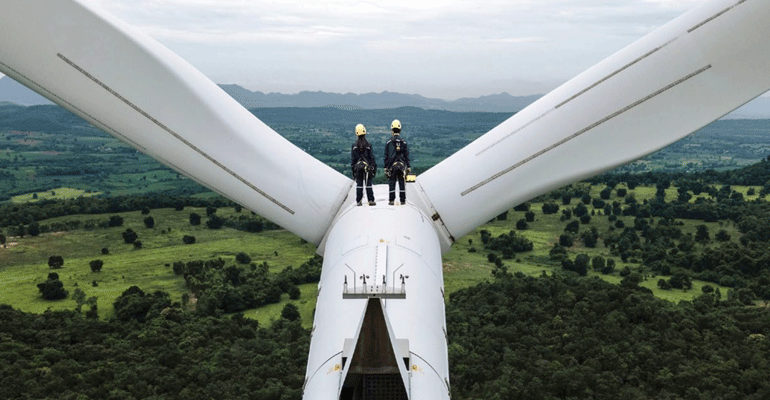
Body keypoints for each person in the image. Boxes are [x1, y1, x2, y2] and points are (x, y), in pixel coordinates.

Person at [384, 119, 410, 205]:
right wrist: (408, 166)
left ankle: (391, 200)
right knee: (401, 182)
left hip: (392, 166)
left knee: (392, 182)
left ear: (392, 129)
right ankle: (402, 200)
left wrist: (386, 168)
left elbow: (386, 156)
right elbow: (406, 155)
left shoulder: (389, 142)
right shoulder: (404, 142)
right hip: (402, 165)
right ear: (400, 129)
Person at [351, 123, 376, 206]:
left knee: (359, 185)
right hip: (367, 167)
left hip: (358, 168)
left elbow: (353, 160)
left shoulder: (354, 145)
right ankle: (371, 200)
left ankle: (359, 201)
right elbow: (371, 158)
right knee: (368, 184)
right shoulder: (368, 145)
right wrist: (373, 168)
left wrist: (353, 171)